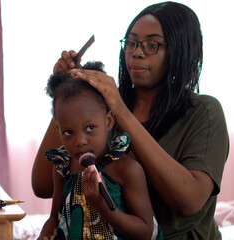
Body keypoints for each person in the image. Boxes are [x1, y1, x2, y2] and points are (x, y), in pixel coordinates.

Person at [32, 2, 229, 239]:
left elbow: (189, 201)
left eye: (152, 45)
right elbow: (42, 186)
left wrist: (122, 113)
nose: (137, 52)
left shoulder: (204, 111)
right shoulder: (103, 108)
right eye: (132, 43)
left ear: (180, 50)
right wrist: (67, 98)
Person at [38, 61, 161, 240]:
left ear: (109, 121)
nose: (80, 141)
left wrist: (101, 204)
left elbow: (145, 231)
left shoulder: (126, 170)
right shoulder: (62, 169)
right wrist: (44, 235)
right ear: (58, 131)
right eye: (68, 132)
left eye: (90, 128)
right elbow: (54, 219)